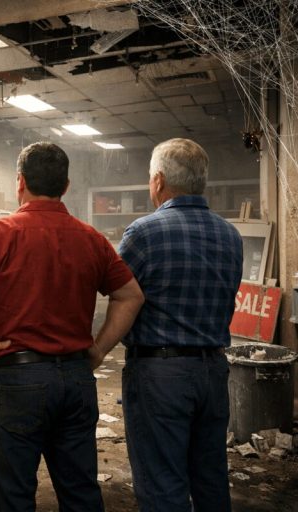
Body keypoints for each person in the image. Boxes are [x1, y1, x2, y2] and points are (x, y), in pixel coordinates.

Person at [0, 142, 144, 512]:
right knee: (80, 494)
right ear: (65, 186)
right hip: (77, 380)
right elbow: (130, 295)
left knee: (11, 498)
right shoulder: (91, 238)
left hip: (16, 381)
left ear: (20, 182)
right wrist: (97, 349)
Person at [118, 138, 243, 511]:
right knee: (210, 478)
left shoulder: (143, 233)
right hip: (214, 372)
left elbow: (118, 294)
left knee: (162, 485)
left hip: (161, 375)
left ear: (158, 181)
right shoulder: (231, 236)